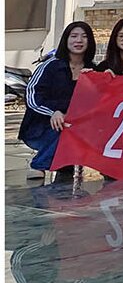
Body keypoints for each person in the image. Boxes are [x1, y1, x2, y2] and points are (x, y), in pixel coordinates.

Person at [20, 22, 96, 179]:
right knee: (64, 125)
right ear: (66, 40)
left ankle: (66, 160)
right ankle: (38, 164)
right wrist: (52, 112)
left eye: (84, 36)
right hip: (41, 126)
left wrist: (95, 79)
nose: (79, 40)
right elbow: (31, 96)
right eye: (74, 36)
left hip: (74, 126)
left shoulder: (92, 69)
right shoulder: (50, 66)